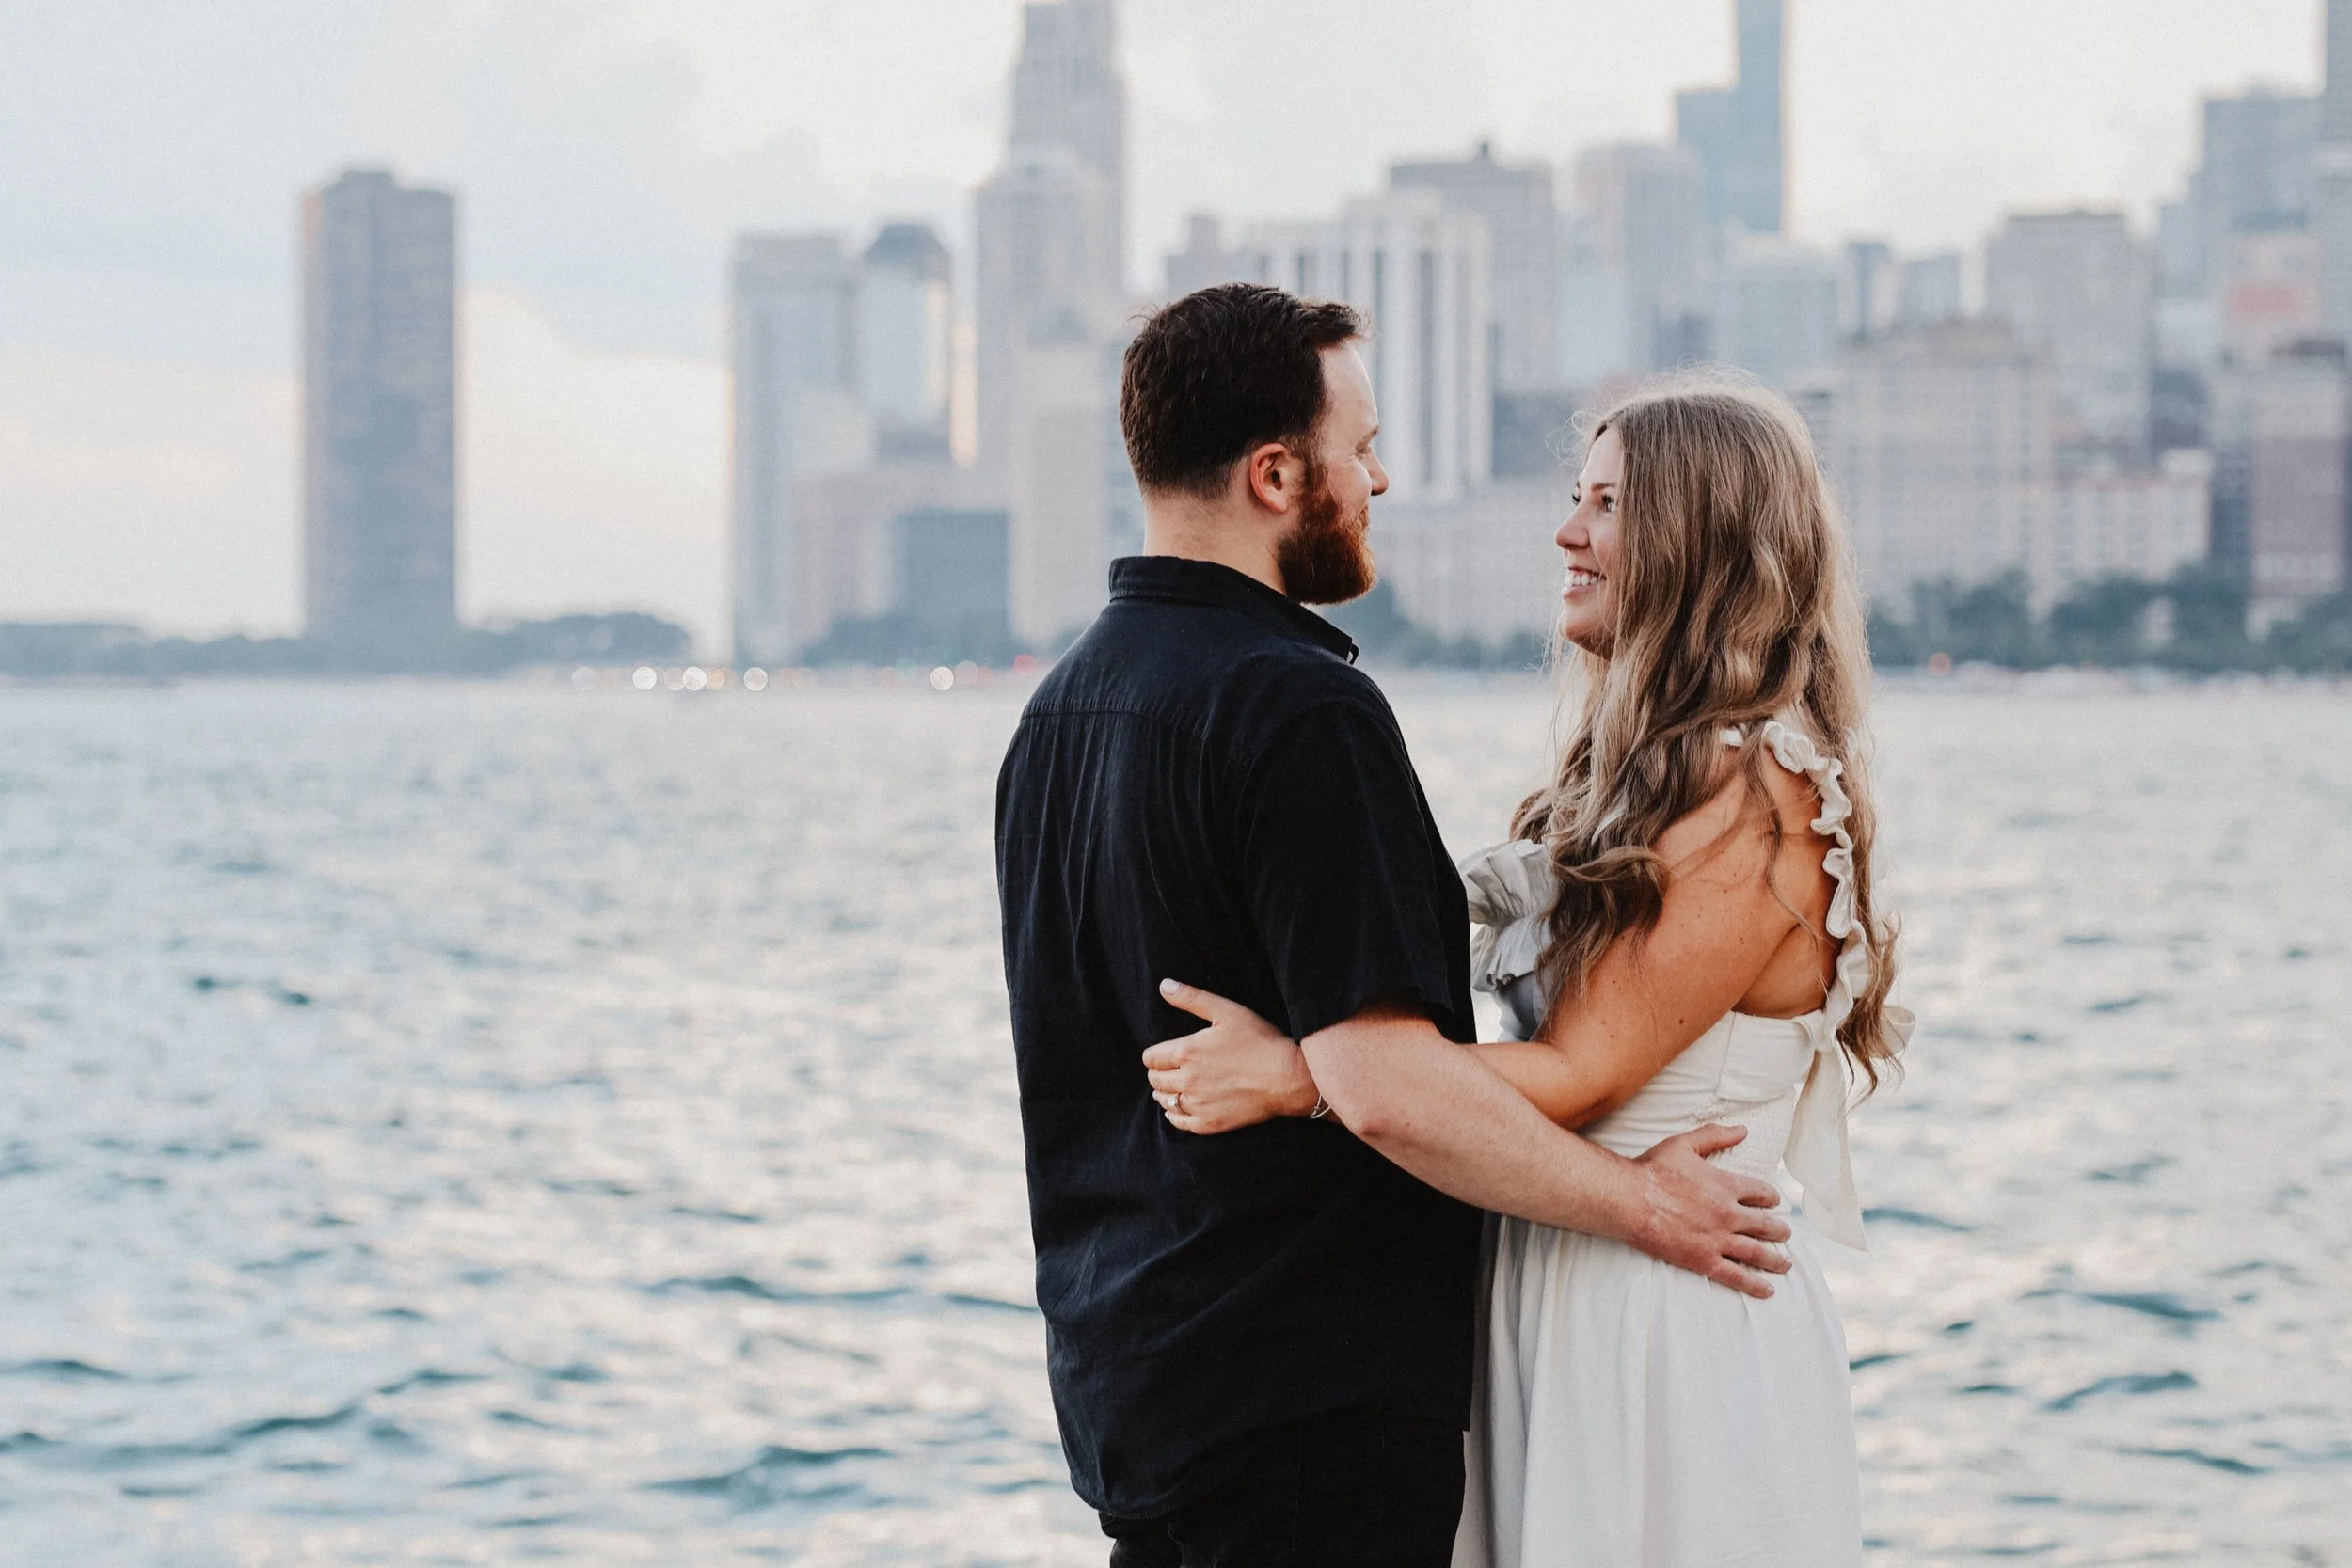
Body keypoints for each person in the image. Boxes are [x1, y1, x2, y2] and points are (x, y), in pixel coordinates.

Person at [994, 285, 1794, 1568]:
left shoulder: (1060, 716)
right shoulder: (1297, 709)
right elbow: (1387, 1091)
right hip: (1307, 1414)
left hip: (1136, 1395)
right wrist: (1644, 1205)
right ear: (1273, 473)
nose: (1379, 478)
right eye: (1358, 447)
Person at [1147, 375, 1912, 1567]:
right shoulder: (1644, 782)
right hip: (1564, 1270)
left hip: (1667, 1312)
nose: (1568, 531)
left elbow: (1577, 1072)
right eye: (1577, 496)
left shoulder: (1756, 796)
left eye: (1607, 504)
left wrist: (1304, 1072)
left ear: (1697, 539)